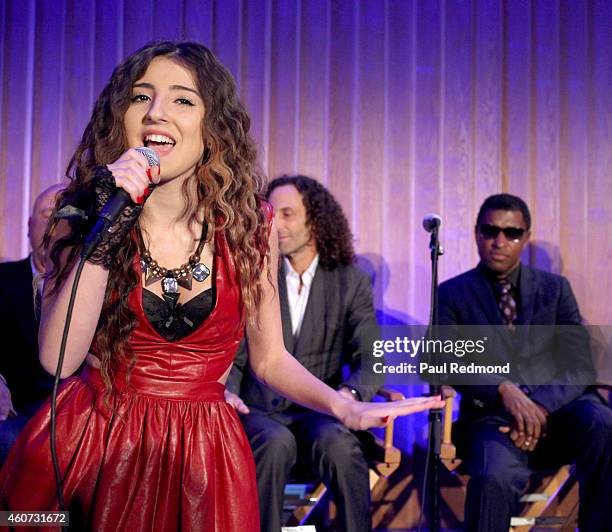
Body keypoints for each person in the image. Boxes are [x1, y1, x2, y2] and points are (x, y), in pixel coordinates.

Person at [0, 41, 442, 531]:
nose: (156, 114)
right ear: (119, 117)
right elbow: (58, 358)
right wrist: (111, 219)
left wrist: (344, 405)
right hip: (98, 445)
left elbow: (270, 358)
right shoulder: (83, 213)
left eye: (182, 100)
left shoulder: (252, 226)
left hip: (202, 455)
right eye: (141, 97)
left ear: (212, 128)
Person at [438, 193, 612, 532]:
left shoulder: (555, 289)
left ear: (526, 237)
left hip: (560, 412)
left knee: (604, 424)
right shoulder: (452, 294)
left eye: (511, 233)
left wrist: (538, 407)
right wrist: (503, 389)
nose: (499, 241)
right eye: (490, 231)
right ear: (476, 233)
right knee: (491, 475)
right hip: (494, 418)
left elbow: (580, 365)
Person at [226, 175, 380, 532]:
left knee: (340, 446)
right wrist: (227, 392)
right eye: (270, 214)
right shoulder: (254, 275)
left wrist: (350, 396)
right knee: (275, 444)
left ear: (315, 219)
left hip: (318, 409)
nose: (275, 224)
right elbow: (232, 351)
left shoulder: (350, 281)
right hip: (259, 409)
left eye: (287, 214)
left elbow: (371, 358)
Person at [0, 184, 63, 464]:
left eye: (67, 215)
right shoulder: (3, 279)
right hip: (20, 413)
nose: (56, 225)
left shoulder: (100, 286)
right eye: (49, 214)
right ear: (29, 226)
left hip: (80, 415)